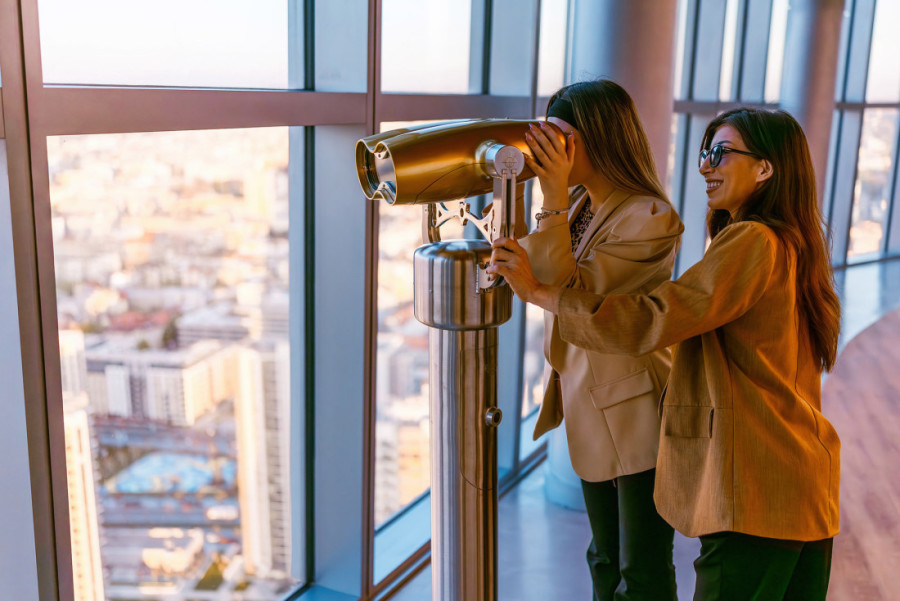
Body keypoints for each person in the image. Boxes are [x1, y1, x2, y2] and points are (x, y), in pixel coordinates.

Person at [489, 107, 842, 601]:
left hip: (758, 492)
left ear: (766, 168)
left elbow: (655, 317)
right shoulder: (791, 243)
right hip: (800, 484)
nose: (705, 166)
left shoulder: (753, 240)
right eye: (704, 152)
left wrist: (539, 293)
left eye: (721, 153)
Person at [517, 79, 683, 600]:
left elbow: (573, 294)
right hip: (592, 402)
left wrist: (551, 198)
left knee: (643, 570)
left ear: (600, 137)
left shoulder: (649, 217)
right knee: (604, 558)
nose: (549, 149)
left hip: (636, 413)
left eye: (562, 136)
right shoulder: (583, 206)